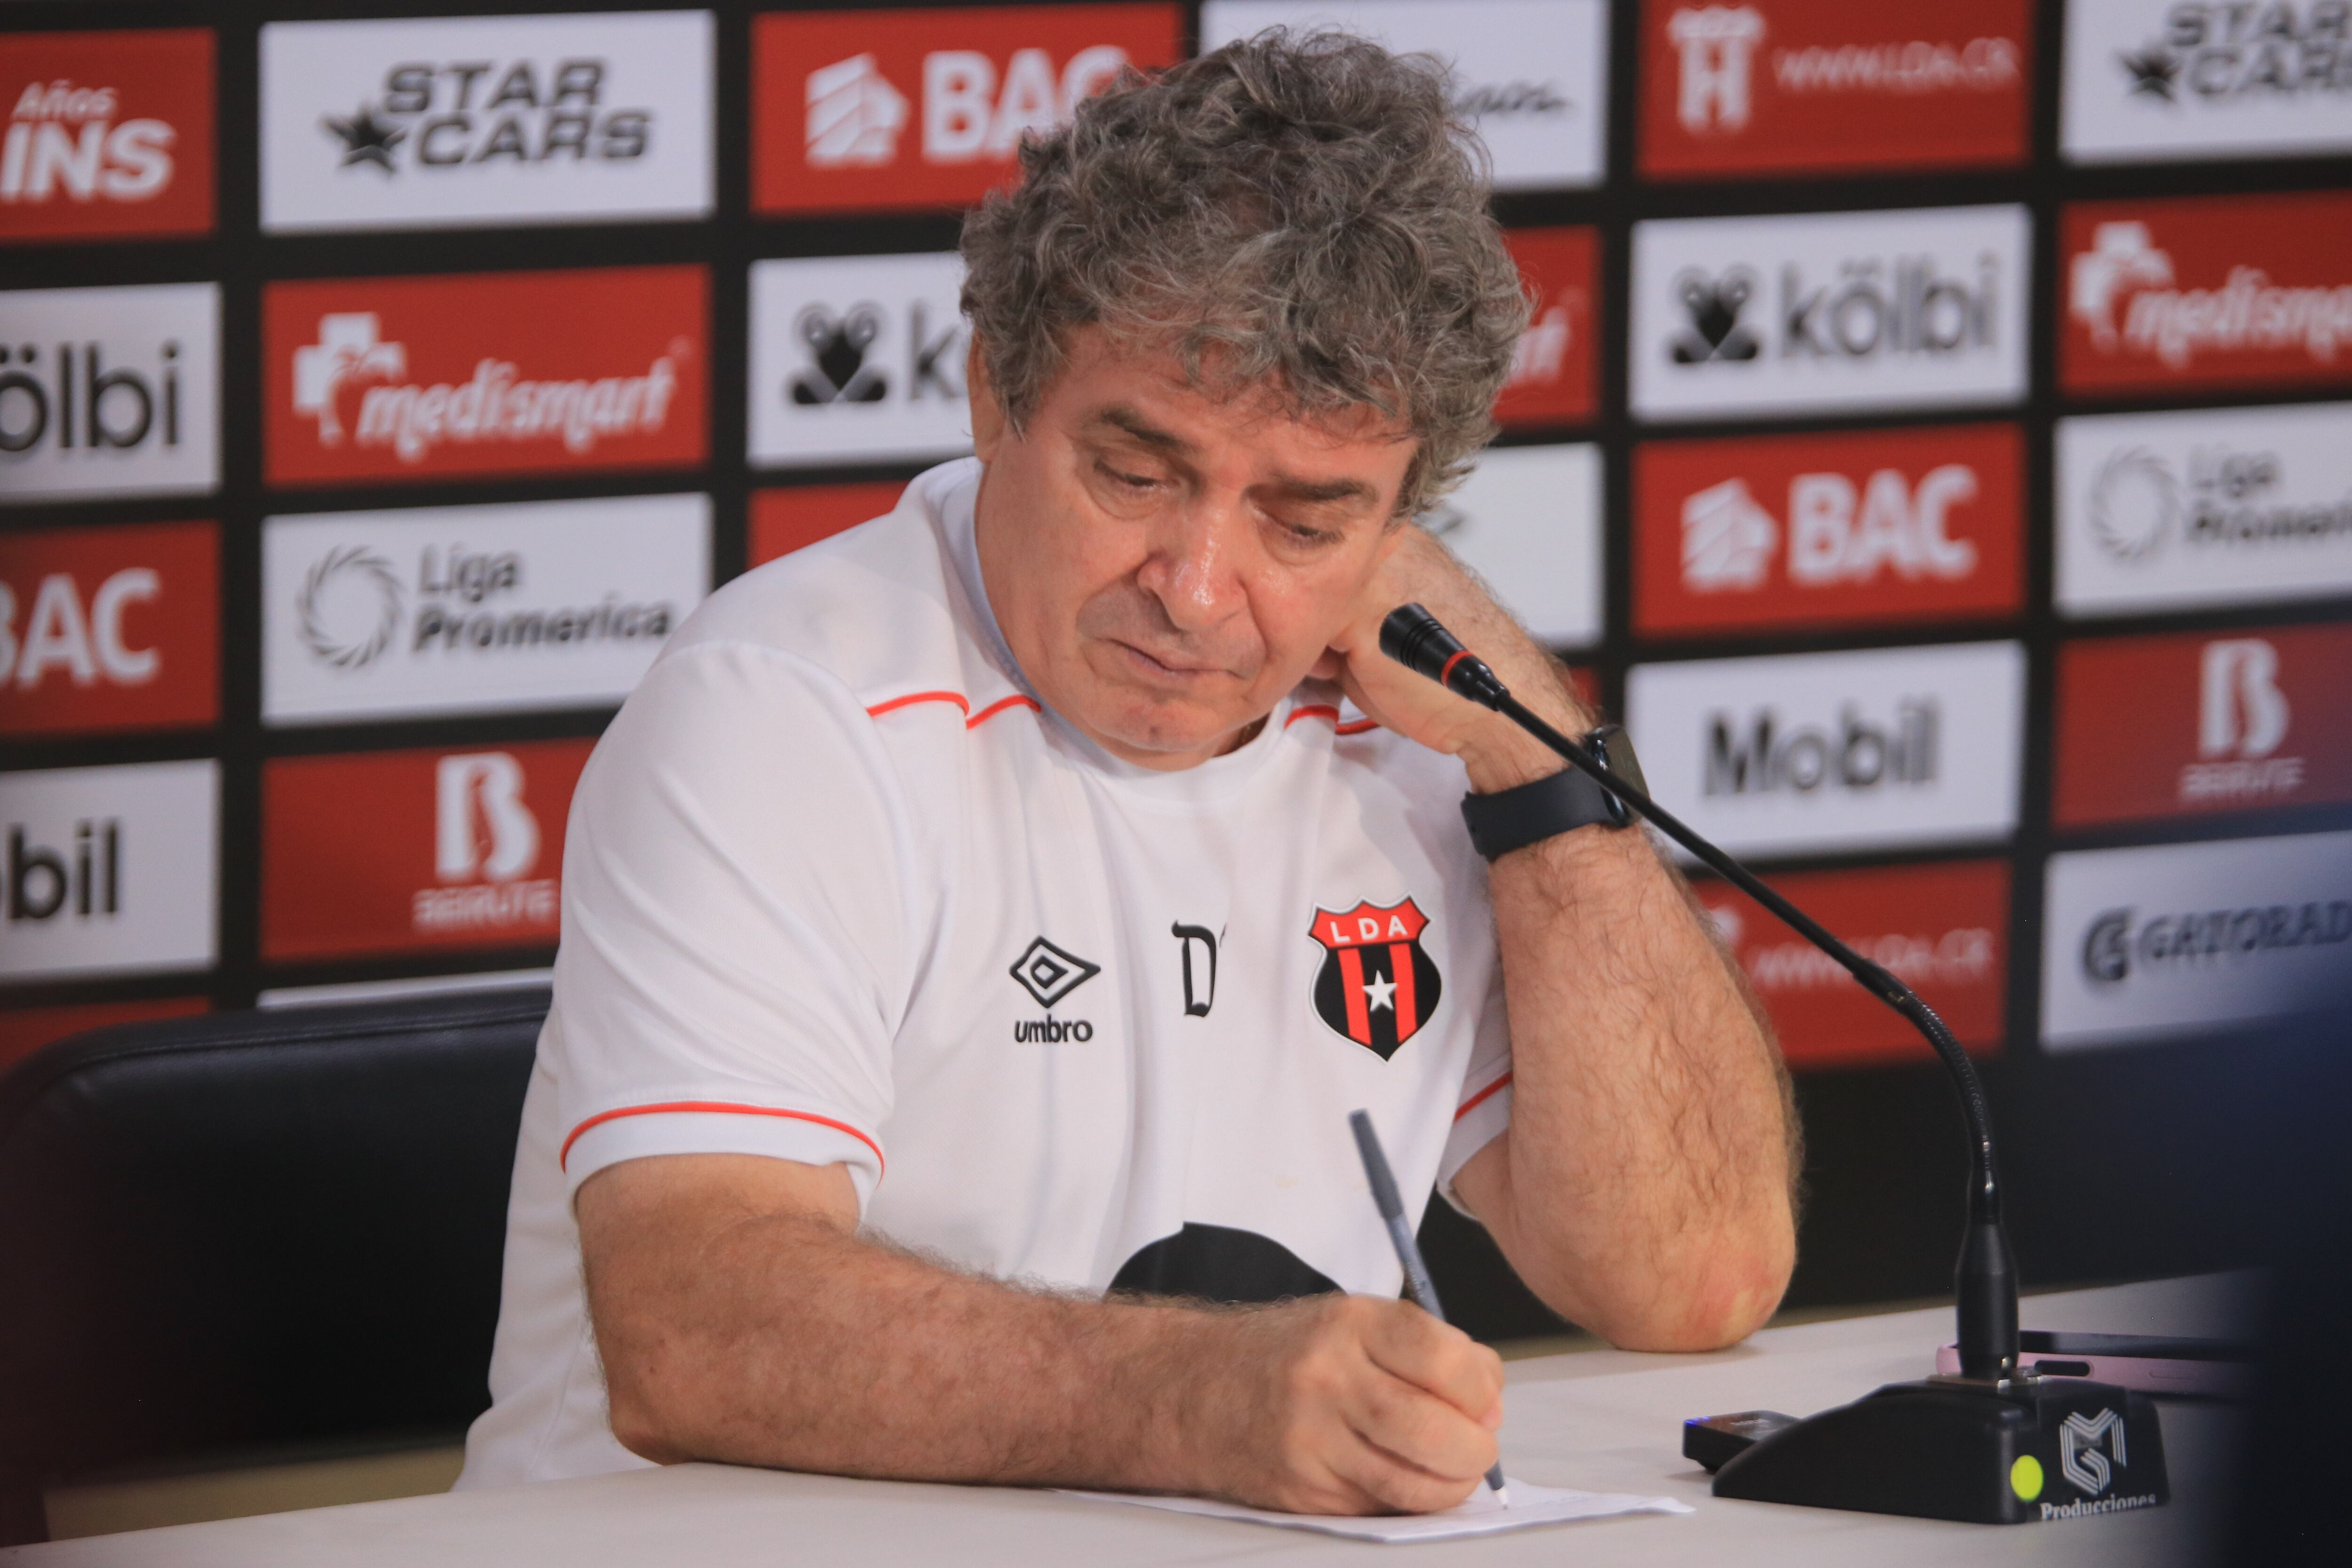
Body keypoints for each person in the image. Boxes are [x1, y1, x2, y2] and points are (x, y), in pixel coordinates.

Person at [456, 31, 1796, 1516]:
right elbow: (693, 1331)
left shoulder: (1421, 741)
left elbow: (1695, 1276)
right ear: (995, 394)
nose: (1199, 589)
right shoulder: (786, 705)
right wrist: (1198, 1399)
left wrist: (1531, 744)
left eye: (1306, 521)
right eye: (1139, 472)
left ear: (1400, 525)